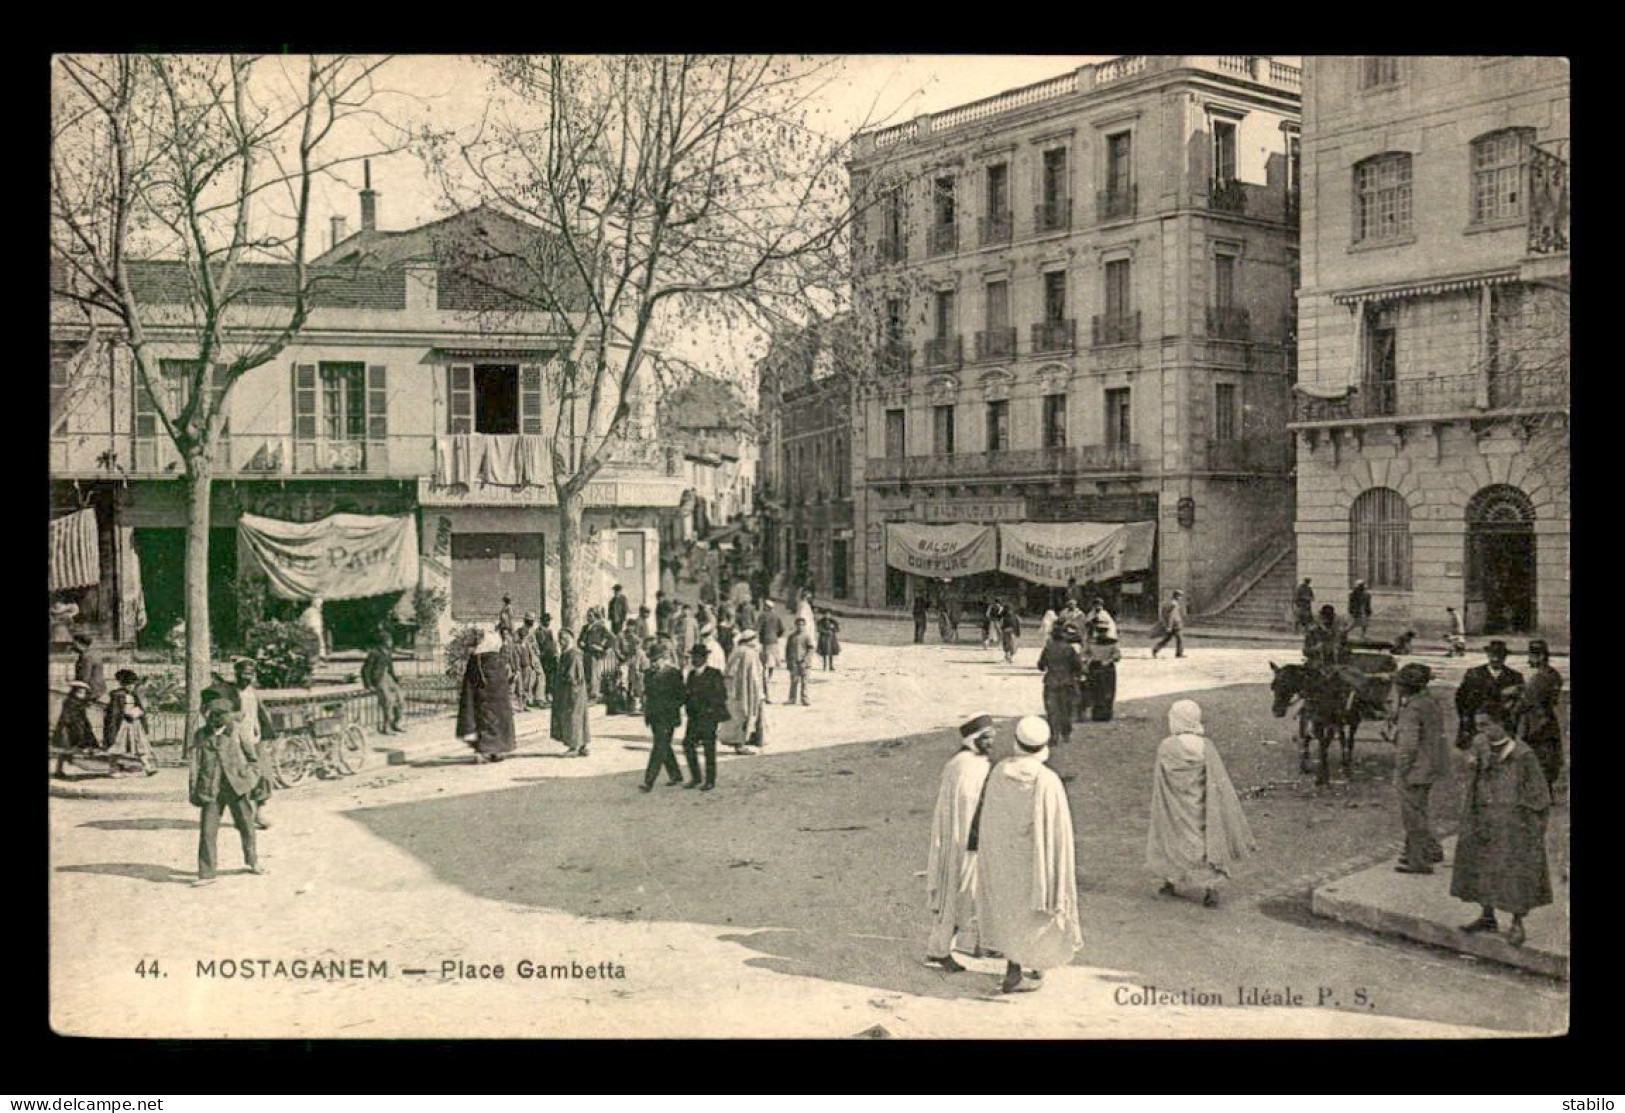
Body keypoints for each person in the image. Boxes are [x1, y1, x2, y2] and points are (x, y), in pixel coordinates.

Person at [970, 716, 1082, 993]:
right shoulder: (1048, 780)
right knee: (1036, 910)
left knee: (1010, 909)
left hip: (1005, 857)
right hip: (1037, 858)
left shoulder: (999, 772)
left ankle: (1013, 969)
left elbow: (989, 818)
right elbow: (1058, 831)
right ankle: (1034, 965)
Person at [1452, 708, 1553, 947]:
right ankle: (1487, 916)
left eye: (1486, 725)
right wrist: (1471, 764)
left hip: (1511, 823)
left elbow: (1539, 794)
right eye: (1479, 725)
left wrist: (1528, 823)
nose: (1481, 730)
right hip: (1483, 817)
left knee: (1514, 871)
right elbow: (1473, 771)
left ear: (1501, 725)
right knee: (1482, 864)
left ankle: (1517, 922)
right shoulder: (1480, 744)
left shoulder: (1523, 755)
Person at [1146, 700, 1256, 907]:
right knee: (1203, 843)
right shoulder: (1206, 746)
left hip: (1174, 805)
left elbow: (1161, 780)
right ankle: (1210, 888)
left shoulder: (1166, 747)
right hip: (1201, 805)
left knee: (1172, 838)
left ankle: (1170, 881)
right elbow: (1217, 780)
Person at [924, 714, 995, 972]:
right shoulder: (962, 765)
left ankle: (972, 944)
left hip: (974, 840)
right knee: (956, 895)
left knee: (975, 895)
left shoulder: (977, 763)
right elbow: (966, 807)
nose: (991, 743)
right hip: (961, 842)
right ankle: (938, 951)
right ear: (975, 739)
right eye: (987, 739)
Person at [188, 698, 266, 887]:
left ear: (228, 717)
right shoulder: (201, 735)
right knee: (207, 830)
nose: (217, 720)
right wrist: (194, 790)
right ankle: (207, 873)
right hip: (211, 788)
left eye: (222, 716)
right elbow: (195, 765)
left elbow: (253, 759)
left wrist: (249, 779)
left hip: (237, 788)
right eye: (213, 716)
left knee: (246, 824)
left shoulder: (238, 732)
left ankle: (253, 860)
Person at [1387, 663, 1450, 874]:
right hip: (1431, 764)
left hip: (1415, 769)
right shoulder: (1430, 703)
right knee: (1420, 811)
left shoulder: (1412, 709)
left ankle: (1419, 861)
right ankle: (1431, 849)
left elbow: (1409, 746)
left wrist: (1401, 770)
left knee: (1412, 816)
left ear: (1405, 687)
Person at [211, 658, 276, 830]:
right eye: (244, 673)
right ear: (237, 674)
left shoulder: (253, 693)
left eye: (250, 674)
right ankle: (242, 816)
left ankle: (260, 813)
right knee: (240, 777)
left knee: (263, 775)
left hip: (255, 739)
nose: (247, 677)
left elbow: (259, 715)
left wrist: (267, 734)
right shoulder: (230, 693)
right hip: (236, 741)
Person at [457, 625, 517, 763]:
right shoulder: (489, 657)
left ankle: (491, 750)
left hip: (491, 690)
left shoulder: (482, 659)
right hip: (490, 690)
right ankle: (488, 750)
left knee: (487, 716)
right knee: (489, 716)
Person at [1514, 640, 1565, 794]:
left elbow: (1527, 701)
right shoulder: (1553, 674)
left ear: (1540, 656)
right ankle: (1545, 790)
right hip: (1549, 719)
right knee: (1549, 756)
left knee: (1535, 756)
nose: (1529, 659)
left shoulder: (1538, 678)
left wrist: (1513, 708)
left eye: (1531, 656)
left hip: (1535, 722)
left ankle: (1538, 792)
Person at [1455, 641, 1524, 745]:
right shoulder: (1474, 674)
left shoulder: (1514, 676)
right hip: (1477, 726)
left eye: (1499, 655)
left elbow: (1520, 703)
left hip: (1502, 726)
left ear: (1505, 657)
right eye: (1493, 655)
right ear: (1488, 655)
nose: (1495, 659)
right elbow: (1461, 699)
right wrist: (1466, 721)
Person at [639, 642, 687, 792]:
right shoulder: (648, 674)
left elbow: (682, 696)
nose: (653, 663)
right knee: (664, 746)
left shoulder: (673, 674)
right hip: (654, 716)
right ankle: (676, 775)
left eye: (656, 660)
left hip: (668, 718)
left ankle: (649, 781)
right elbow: (647, 694)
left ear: (664, 659)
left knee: (659, 747)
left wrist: (670, 707)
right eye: (651, 660)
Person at [682, 642, 730, 791]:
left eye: (697, 657)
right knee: (688, 745)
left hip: (709, 717)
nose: (694, 660)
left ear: (704, 658)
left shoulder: (714, 674)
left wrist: (710, 709)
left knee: (709, 749)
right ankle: (696, 777)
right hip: (694, 718)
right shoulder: (691, 675)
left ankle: (710, 780)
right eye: (692, 657)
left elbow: (721, 695)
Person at [104, 669, 158, 776]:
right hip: (122, 724)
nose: (131, 687)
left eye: (133, 685)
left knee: (140, 745)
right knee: (118, 746)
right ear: (123, 684)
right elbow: (114, 713)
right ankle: (113, 768)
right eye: (128, 685)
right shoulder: (118, 695)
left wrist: (139, 713)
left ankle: (147, 766)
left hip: (135, 724)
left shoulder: (133, 695)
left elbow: (139, 707)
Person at [1037, 623, 1083, 745]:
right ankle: (1066, 733)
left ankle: (1054, 735)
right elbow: (1078, 666)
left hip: (1051, 682)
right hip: (1067, 682)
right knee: (1066, 709)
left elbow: (1040, 666)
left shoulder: (1048, 648)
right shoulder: (1069, 649)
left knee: (1052, 710)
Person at [722, 628, 767, 755]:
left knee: (737, 716)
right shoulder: (749, 653)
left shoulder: (737, 651)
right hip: (747, 691)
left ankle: (742, 741)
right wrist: (760, 692)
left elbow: (729, 672)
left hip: (735, 690)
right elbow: (754, 676)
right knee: (746, 715)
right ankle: (741, 744)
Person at [550, 629, 591, 758]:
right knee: (578, 716)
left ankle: (574, 746)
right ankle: (582, 744)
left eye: (562, 639)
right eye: (559, 638)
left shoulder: (573, 654)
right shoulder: (567, 653)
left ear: (568, 639)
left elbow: (572, 675)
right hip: (573, 691)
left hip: (573, 691)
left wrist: (561, 678)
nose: (560, 642)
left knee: (573, 716)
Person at [362, 626, 406, 736]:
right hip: (379, 678)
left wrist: (395, 679)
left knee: (400, 698)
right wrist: (368, 684)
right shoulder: (375, 653)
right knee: (388, 701)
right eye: (389, 640)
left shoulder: (388, 652)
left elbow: (390, 668)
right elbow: (365, 669)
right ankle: (386, 727)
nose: (391, 642)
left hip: (388, 677)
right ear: (384, 642)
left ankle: (397, 723)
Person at [52, 681, 100, 778]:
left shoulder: (77, 702)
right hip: (69, 729)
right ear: (74, 692)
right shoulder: (71, 702)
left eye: (84, 693)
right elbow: (69, 717)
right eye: (80, 692)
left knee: (66, 751)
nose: (83, 695)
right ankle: (61, 769)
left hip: (75, 727)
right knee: (66, 750)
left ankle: (60, 769)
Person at [1082, 618, 1122, 722]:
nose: (1102, 633)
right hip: (1096, 667)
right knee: (1095, 691)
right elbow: (1085, 653)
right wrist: (1087, 659)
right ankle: (1097, 714)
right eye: (1100, 630)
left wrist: (1109, 659)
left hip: (1107, 668)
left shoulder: (1112, 642)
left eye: (1103, 630)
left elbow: (1117, 655)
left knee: (1107, 691)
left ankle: (1106, 714)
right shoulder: (1091, 642)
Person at [581, 609, 617, 704]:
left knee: (594, 675)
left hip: (595, 654)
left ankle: (594, 695)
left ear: (595, 617)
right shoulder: (585, 628)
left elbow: (612, 638)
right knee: (587, 673)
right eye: (587, 616)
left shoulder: (600, 627)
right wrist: (580, 643)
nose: (588, 618)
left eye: (590, 616)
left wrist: (602, 647)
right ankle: (587, 694)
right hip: (586, 653)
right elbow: (580, 638)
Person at [1303, 604, 1350, 669]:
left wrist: (1339, 649)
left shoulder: (1340, 633)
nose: (1327, 622)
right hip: (1317, 666)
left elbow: (1347, 650)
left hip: (1336, 666)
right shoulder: (1313, 632)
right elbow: (1305, 651)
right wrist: (1316, 649)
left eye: (1330, 620)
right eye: (1325, 619)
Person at [785, 615, 814, 706]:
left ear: (804, 625)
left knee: (804, 682)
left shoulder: (807, 637)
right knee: (794, 681)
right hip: (794, 662)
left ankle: (804, 699)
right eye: (798, 625)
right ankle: (792, 698)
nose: (800, 627)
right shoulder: (791, 637)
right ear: (795, 625)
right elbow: (787, 650)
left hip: (804, 663)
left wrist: (805, 660)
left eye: (802, 625)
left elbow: (811, 649)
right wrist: (788, 662)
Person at [757, 600, 785, 695]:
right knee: (772, 660)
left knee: (765, 660)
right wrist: (776, 635)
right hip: (774, 640)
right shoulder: (776, 616)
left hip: (765, 641)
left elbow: (758, 628)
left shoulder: (763, 615)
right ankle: (770, 676)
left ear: (766, 607)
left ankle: (765, 677)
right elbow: (782, 629)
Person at [71, 632, 106, 703]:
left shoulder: (86, 657)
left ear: (81, 644)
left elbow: (85, 677)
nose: (73, 646)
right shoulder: (93, 653)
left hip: (91, 691)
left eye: (74, 644)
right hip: (98, 688)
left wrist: (77, 692)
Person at [1151, 589, 1186, 659]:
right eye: (1180, 596)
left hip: (1172, 624)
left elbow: (1163, 613)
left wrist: (1166, 624)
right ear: (1177, 596)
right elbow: (1171, 616)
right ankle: (1179, 653)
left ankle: (1156, 649)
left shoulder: (1169, 603)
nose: (1181, 598)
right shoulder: (1174, 604)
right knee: (1179, 639)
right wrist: (1169, 626)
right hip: (1175, 625)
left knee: (1167, 639)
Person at [534, 613, 558, 709]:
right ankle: (543, 696)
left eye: (549, 620)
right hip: (544, 657)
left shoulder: (549, 631)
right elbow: (542, 644)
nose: (548, 622)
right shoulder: (539, 631)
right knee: (545, 675)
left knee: (551, 676)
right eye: (547, 620)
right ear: (542, 621)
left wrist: (555, 652)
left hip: (551, 656)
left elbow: (552, 643)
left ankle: (549, 694)